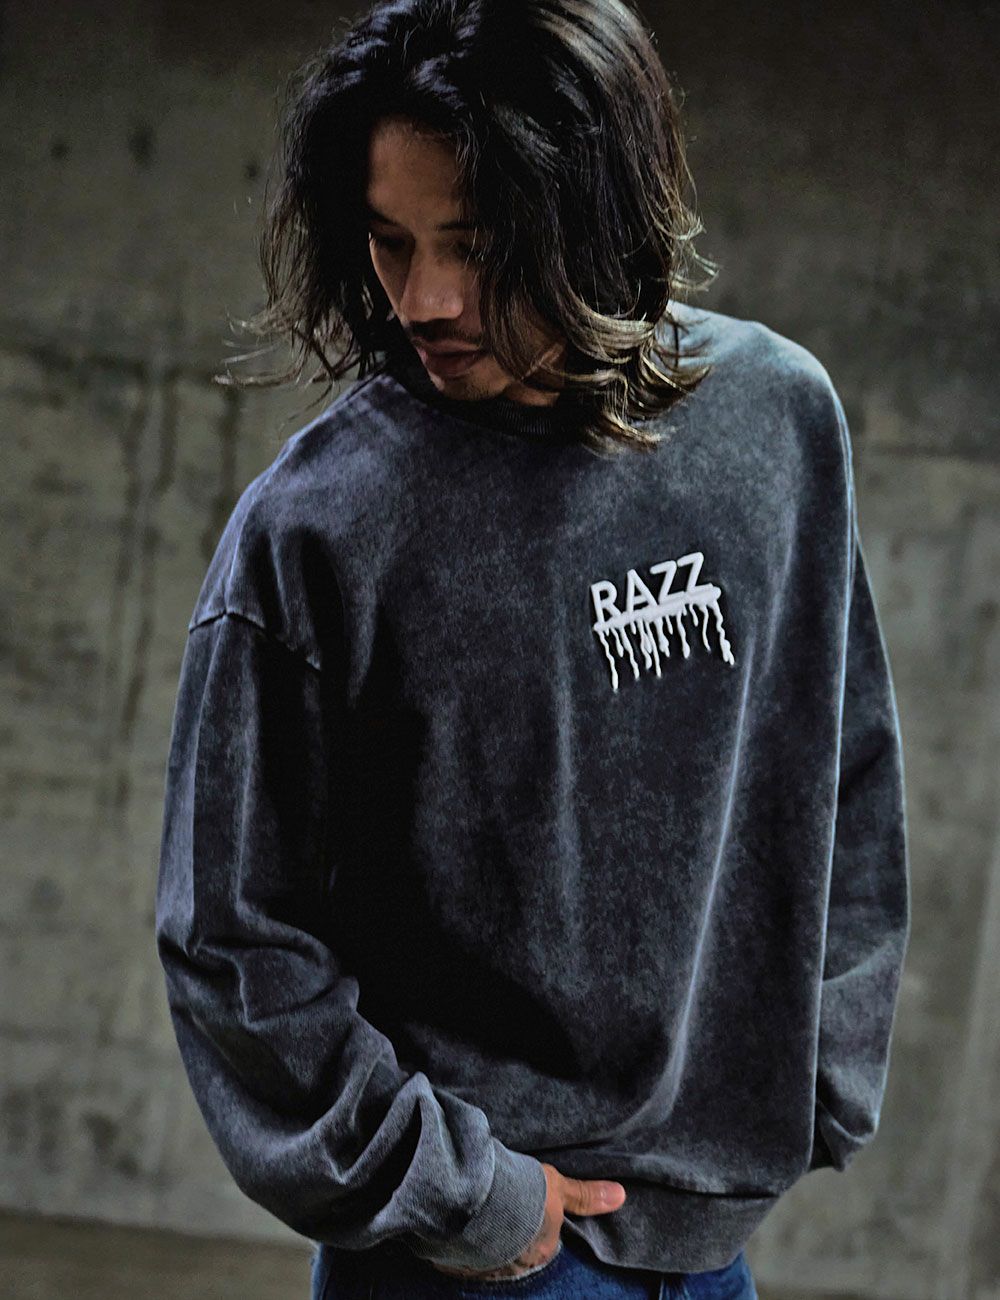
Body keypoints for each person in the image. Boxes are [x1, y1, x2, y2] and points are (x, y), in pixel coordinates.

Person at [154, 2, 911, 1298]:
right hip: (478, 1255)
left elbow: (845, 778)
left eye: (480, 245)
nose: (426, 300)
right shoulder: (322, 527)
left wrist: (814, 1082)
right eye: (391, 241)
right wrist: (471, 1197)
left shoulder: (775, 425)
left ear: (595, 218)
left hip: (709, 1243)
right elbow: (235, 939)